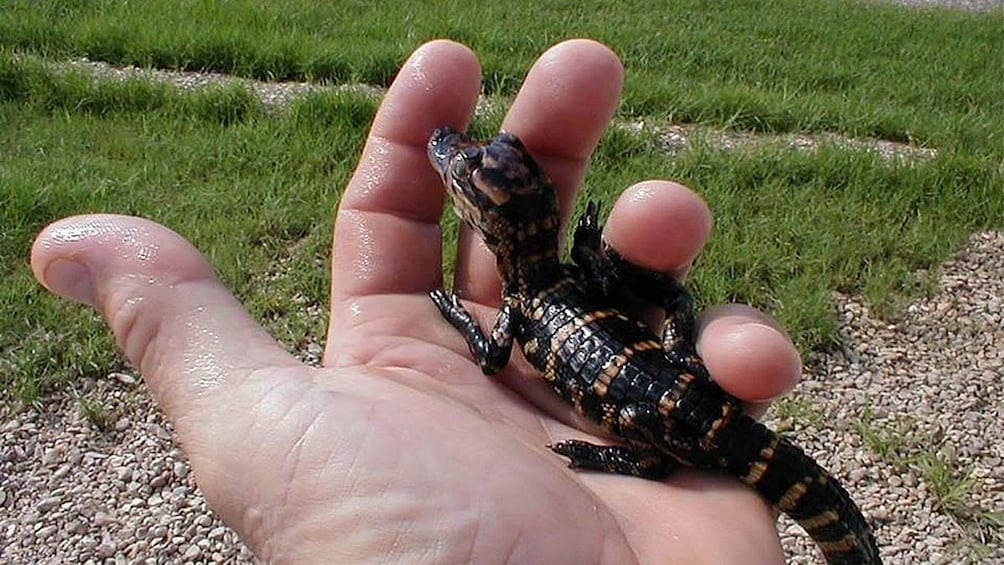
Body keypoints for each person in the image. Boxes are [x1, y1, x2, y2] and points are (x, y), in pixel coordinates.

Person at [31, 39, 803, 563]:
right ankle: (642, 444)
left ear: (491, 219)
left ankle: (637, 456)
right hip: (677, 394)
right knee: (682, 345)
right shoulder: (561, 287)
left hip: (665, 420)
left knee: (668, 397)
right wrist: (651, 299)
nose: (451, 157)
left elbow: (498, 353)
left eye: (467, 172)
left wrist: (469, 319)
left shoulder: (530, 308)